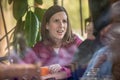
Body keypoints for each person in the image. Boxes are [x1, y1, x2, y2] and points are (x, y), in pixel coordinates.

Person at [32, 5, 82, 78]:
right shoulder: (38, 49)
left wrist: (63, 68)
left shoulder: (76, 42)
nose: (61, 25)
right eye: (56, 21)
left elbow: (88, 62)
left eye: (64, 21)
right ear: (47, 25)